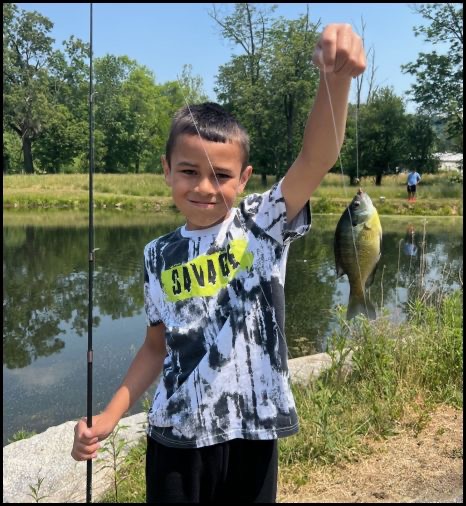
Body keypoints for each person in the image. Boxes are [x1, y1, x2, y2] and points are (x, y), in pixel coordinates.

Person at [71, 23, 366, 503]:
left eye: (221, 175)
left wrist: (335, 79)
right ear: (166, 171)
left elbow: (317, 157)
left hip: (253, 430)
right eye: (188, 171)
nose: (205, 187)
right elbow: (154, 347)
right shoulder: (157, 255)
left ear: (244, 178)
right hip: (175, 436)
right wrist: (107, 418)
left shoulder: (262, 223)